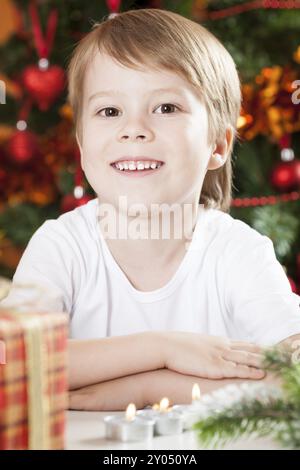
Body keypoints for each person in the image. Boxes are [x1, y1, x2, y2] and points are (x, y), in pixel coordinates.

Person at [2, 8, 300, 411]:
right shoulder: (62, 246)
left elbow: (294, 377)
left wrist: (145, 389)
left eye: (166, 108)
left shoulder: (237, 252)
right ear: (82, 145)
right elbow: (13, 366)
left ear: (217, 145)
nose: (134, 128)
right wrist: (162, 350)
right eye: (110, 111)